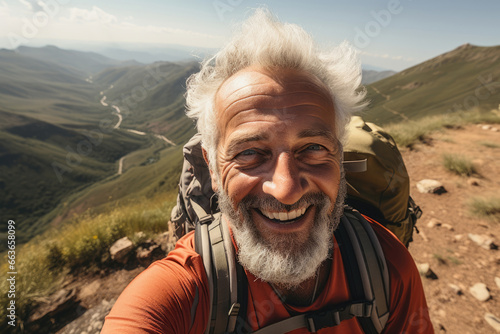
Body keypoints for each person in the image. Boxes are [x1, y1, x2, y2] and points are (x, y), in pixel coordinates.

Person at [101, 9, 433, 333]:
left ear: (339, 158)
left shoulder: (388, 266)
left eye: (314, 148)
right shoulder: (182, 291)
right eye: (249, 153)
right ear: (213, 168)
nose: (286, 189)